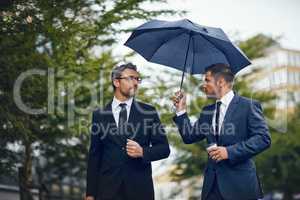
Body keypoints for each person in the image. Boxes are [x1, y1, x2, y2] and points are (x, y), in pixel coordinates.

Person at [172, 63, 271, 200]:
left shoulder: (248, 106)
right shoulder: (207, 111)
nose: (203, 85)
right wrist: (181, 111)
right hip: (212, 188)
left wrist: (229, 152)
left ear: (220, 82)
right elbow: (189, 136)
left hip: (240, 187)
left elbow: (263, 138)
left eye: (207, 80)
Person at [86, 63, 170, 200]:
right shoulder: (99, 115)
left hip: (139, 191)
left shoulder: (149, 112)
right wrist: (90, 194)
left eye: (138, 79)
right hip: (107, 190)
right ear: (116, 82)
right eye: (131, 78)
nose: (136, 83)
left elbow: (164, 149)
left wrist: (143, 152)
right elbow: (94, 156)